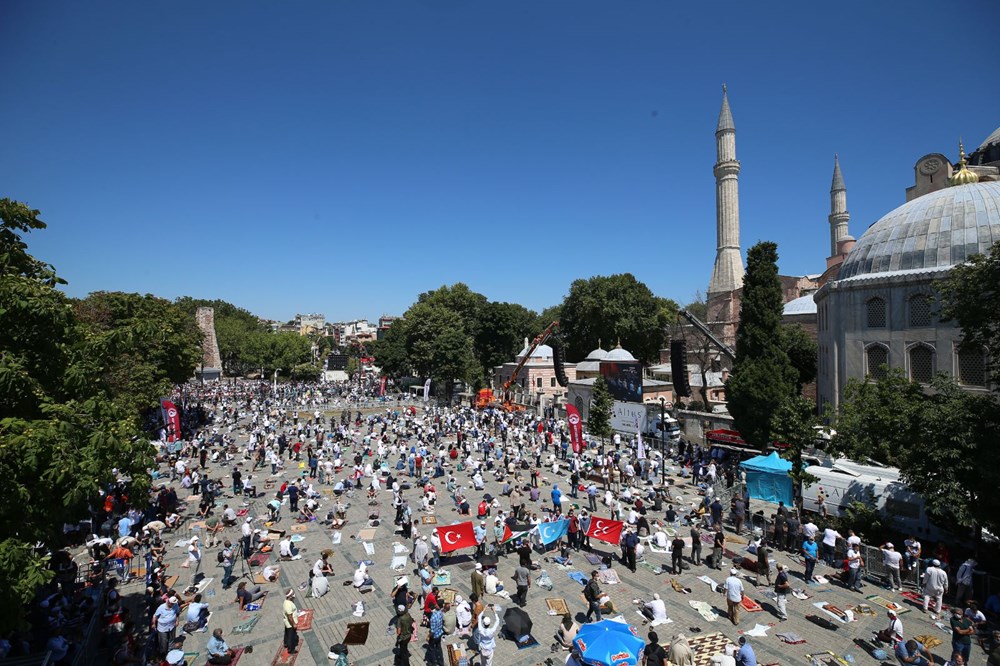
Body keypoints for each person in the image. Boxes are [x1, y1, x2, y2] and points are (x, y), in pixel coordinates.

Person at [282, 589, 299, 655]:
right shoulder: (288, 605)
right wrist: (294, 624)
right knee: (291, 636)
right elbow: (290, 616)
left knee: (287, 633)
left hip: (287, 623)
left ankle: (286, 643)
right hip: (290, 623)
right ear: (290, 596)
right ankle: (291, 649)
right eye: (293, 594)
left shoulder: (287, 602)